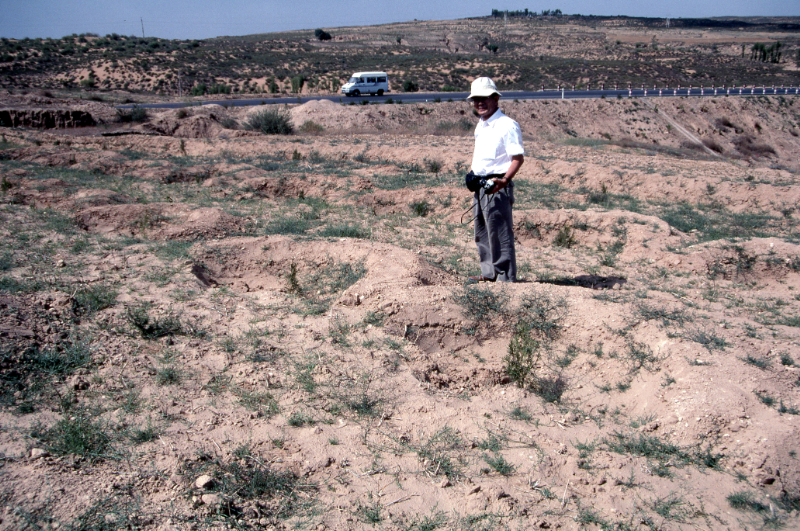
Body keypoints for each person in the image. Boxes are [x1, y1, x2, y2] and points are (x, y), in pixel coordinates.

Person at [466, 77, 524, 283]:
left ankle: (505, 278)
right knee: (482, 232)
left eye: (485, 98)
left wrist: (505, 180)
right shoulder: (481, 125)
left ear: (496, 98)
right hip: (481, 185)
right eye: (476, 99)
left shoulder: (507, 125)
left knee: (499, 233)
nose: (480, 103)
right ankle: (489, 273)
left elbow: (518, 158)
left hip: (497, 186)